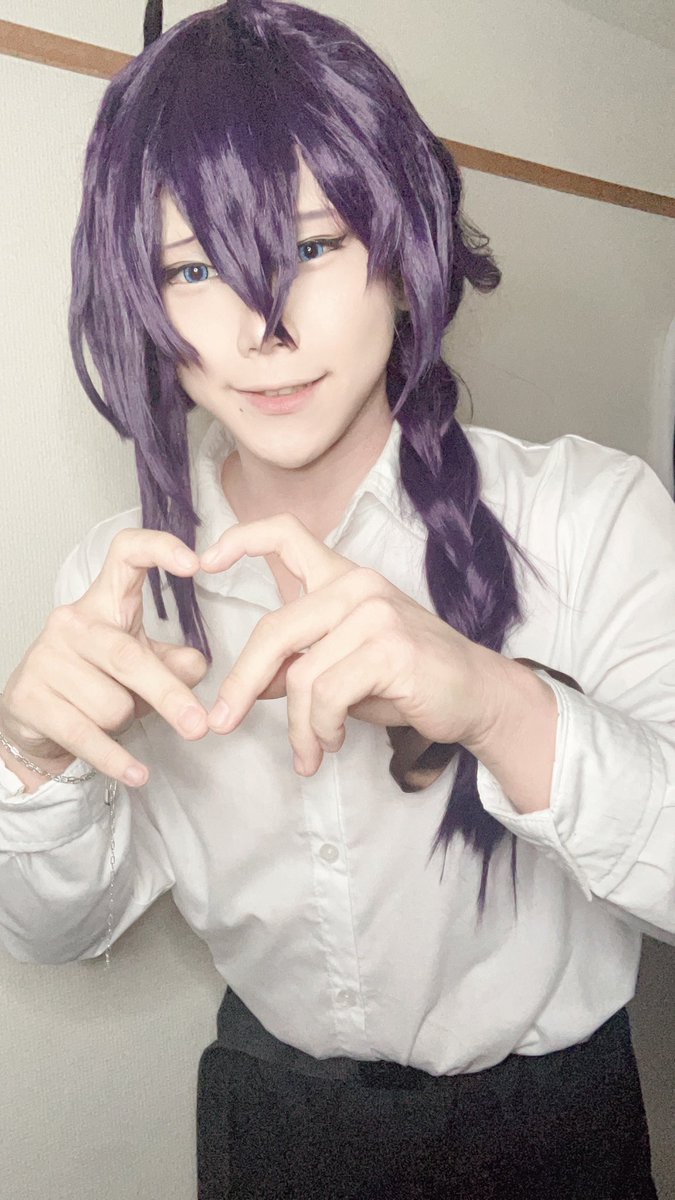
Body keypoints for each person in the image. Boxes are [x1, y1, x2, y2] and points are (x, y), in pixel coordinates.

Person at [0, 1, 671, 1195]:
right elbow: (61, 933)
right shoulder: (126, 585)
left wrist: (498, 705)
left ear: (405, 261)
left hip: (552, 1129)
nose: (262, 326)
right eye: (194, 268)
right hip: (274, 1130)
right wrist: (30, 762)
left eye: (312, 246)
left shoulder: (590, 512)